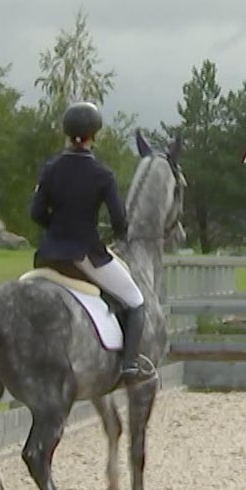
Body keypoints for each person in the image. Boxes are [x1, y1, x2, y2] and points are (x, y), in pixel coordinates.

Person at [29, 101, 155, 387]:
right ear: (93, 135)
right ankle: (130, 365)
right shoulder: (102, 175)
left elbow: (36, 213)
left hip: (48, 256)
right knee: (136, 301)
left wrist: (58, 230)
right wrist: (114, 235)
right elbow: (120, 222)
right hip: (84, 255)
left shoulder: (50, 169)